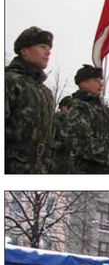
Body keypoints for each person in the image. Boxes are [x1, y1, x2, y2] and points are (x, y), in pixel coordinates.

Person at [5, 25, 55, 173]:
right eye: (42, 46)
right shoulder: (9, 82)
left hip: (39, 169)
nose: (48, 51)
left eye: (49, 48)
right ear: (24, 51)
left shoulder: (45, 92)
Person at [63, 64, 109, 173]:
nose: (101, 84)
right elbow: (83, 145)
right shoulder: (79, 108)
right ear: (84, 82)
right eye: (96, 80)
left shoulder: (101, 109)